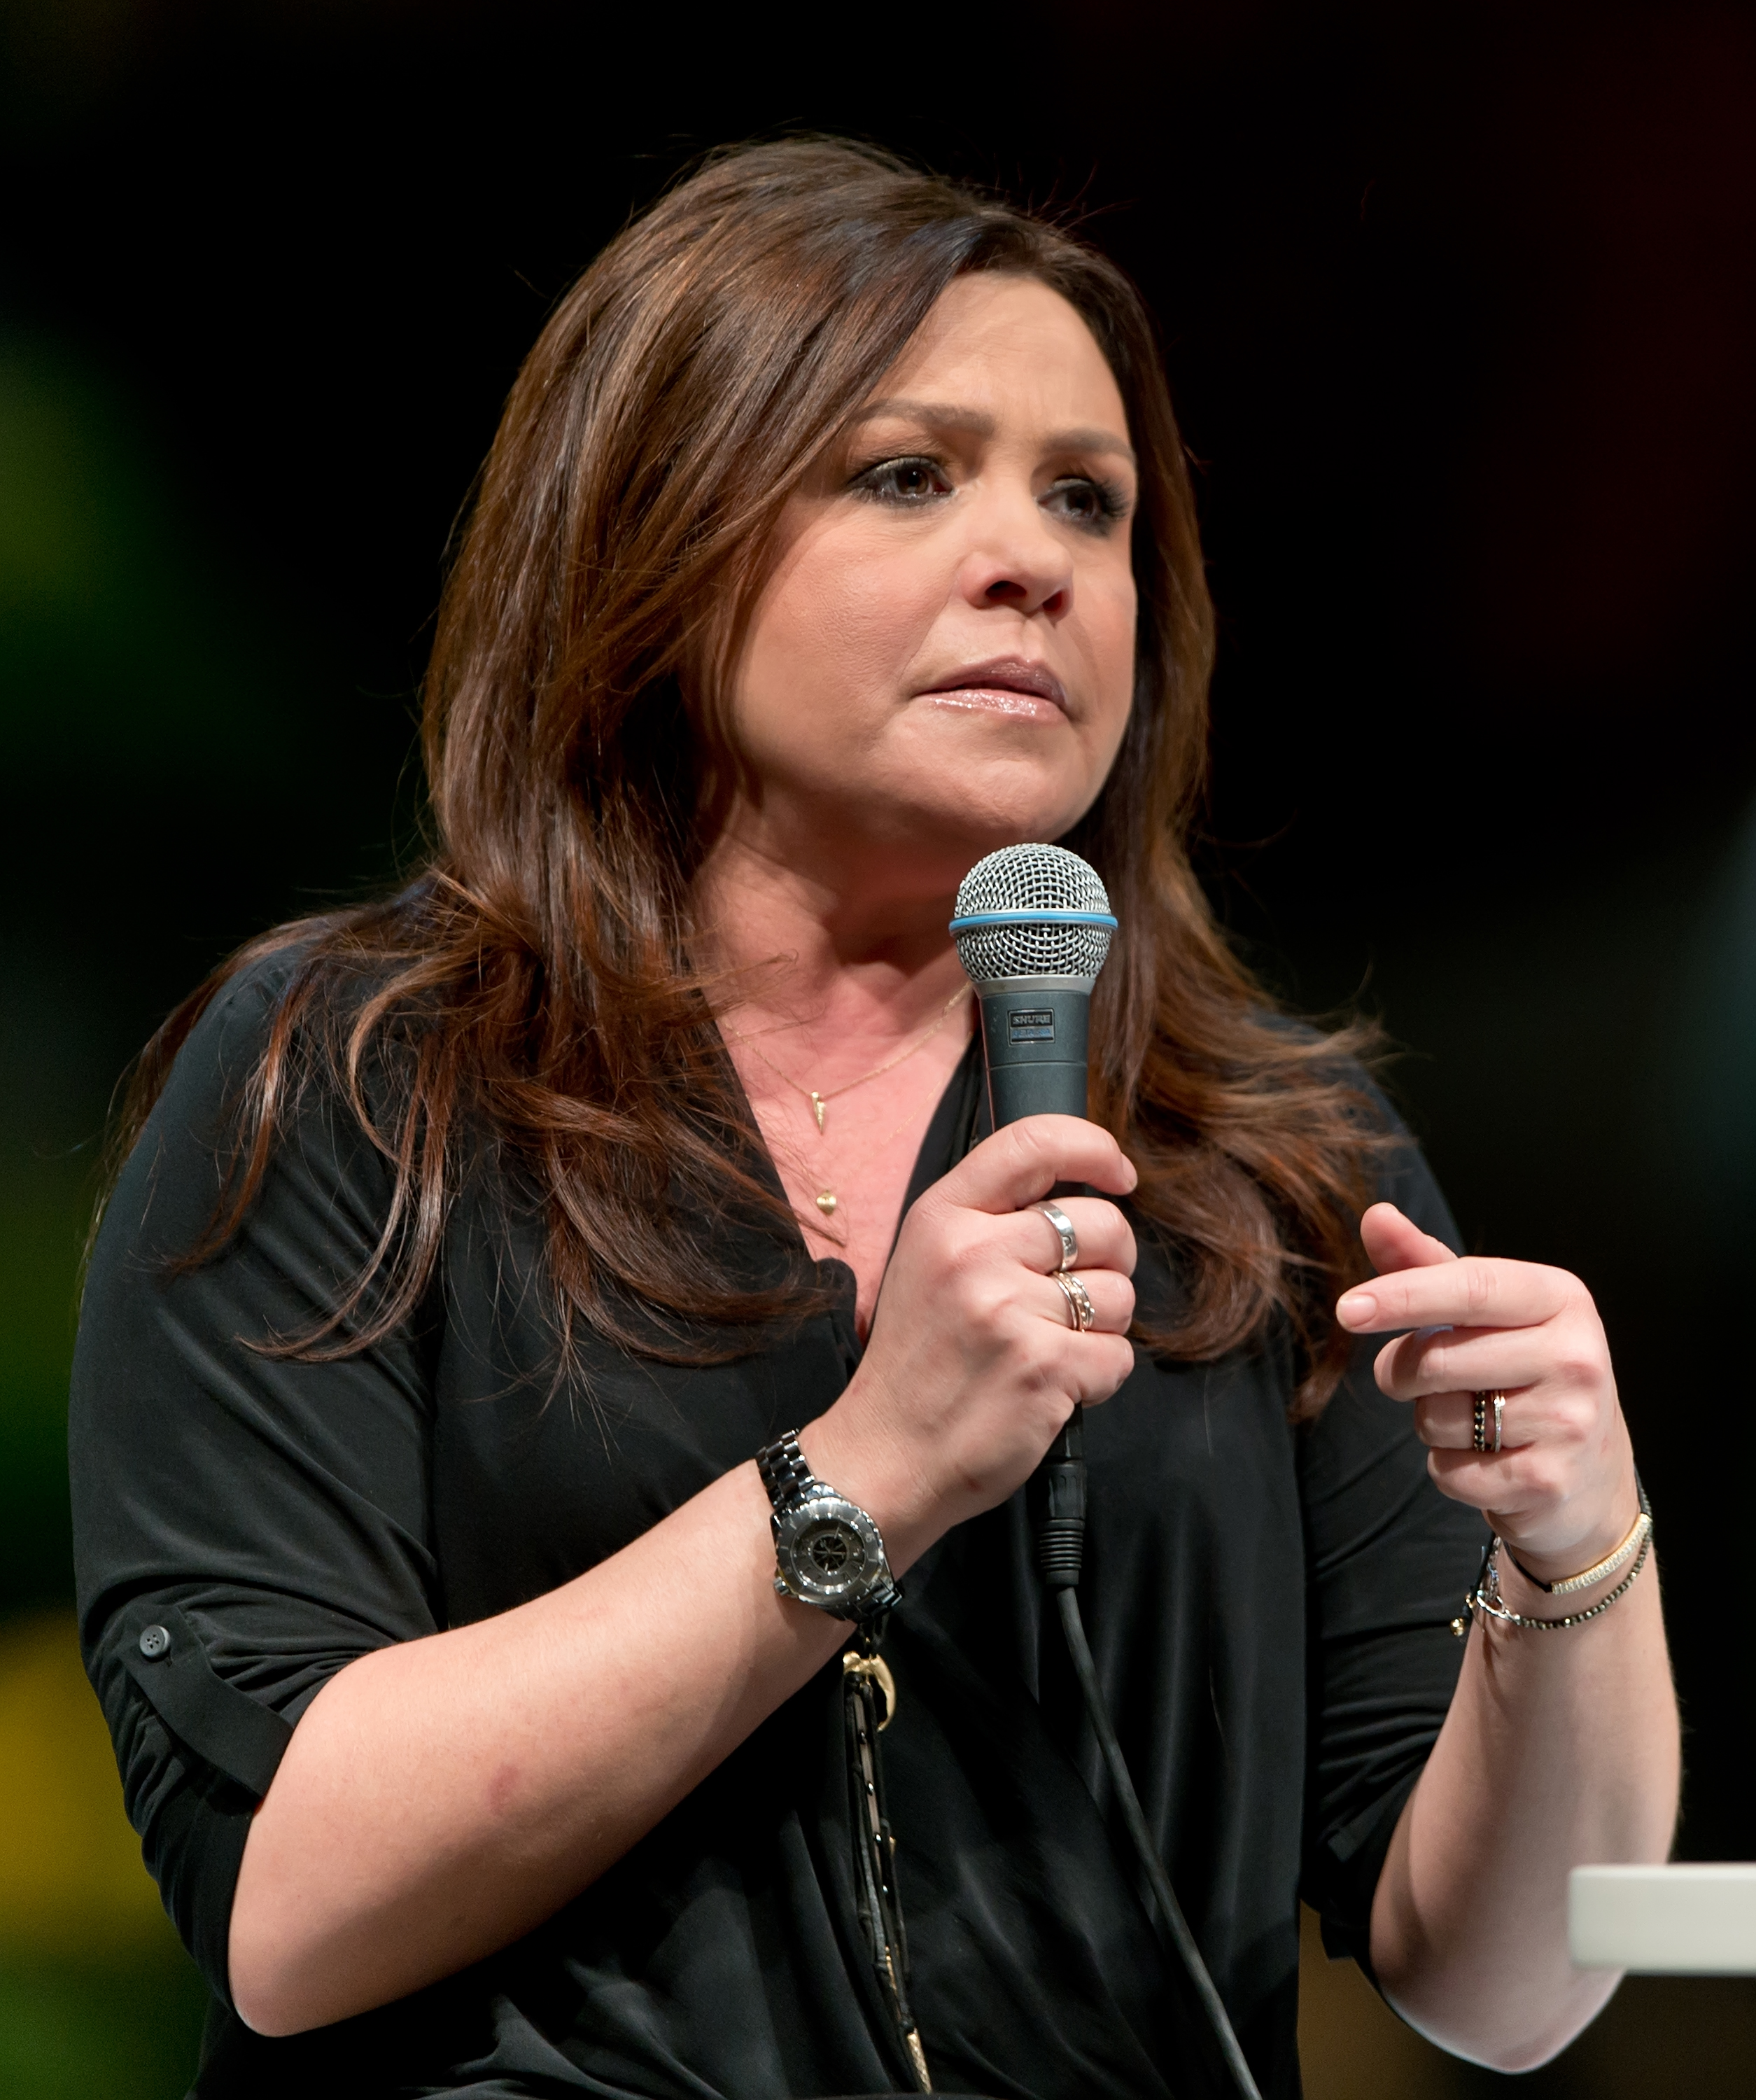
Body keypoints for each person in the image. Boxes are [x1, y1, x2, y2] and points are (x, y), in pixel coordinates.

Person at [71, 139, 1678, 2100]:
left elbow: (1520, 1987)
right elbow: (285, 1910)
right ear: (654, 534)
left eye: (1090, 500)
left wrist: (1581, 1558)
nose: (1040, 559)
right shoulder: (354, 1083)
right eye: (909, 473)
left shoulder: (1276, 1170)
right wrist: (869, 1473)